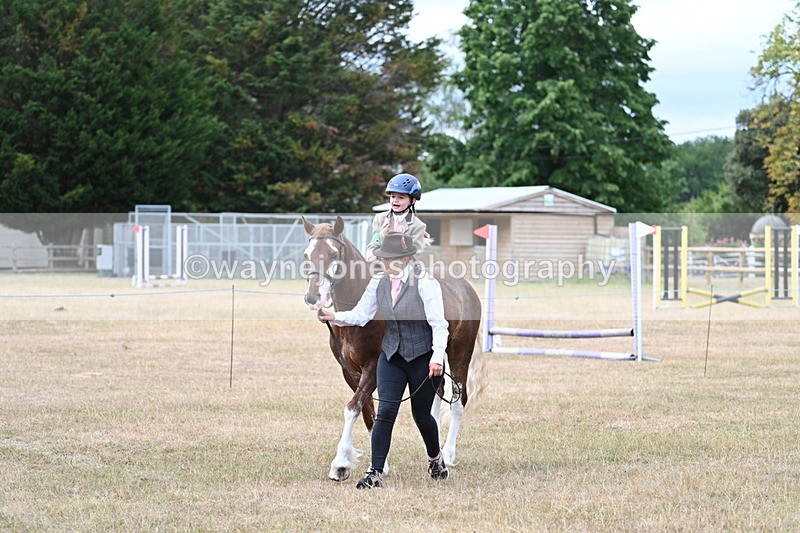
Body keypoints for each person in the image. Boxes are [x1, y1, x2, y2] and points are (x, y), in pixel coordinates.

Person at [317, 232, 449, 489]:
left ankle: (435, 458)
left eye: (393, 259)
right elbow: (360, 314)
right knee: (386, 411)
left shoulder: (424, 282)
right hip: (391, 356)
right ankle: (375, 472)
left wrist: (437, 357)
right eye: (384, 259)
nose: (387, 264)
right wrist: (333, 316)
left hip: (422, 357)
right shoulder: (379, 282)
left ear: (408, 258)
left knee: (421, 416)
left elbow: (439, 323)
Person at [365, 173, 431, 262]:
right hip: (381, 264)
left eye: (401, 197)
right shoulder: (380, 218)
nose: (395, 200)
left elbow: (416, 253)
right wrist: (371, 256)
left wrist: (395, 260)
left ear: (412, 200)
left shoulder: (418, 226)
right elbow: (374, 244)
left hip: (405, 267)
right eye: (393, 196)